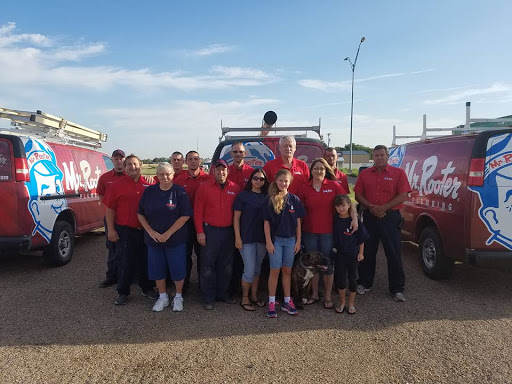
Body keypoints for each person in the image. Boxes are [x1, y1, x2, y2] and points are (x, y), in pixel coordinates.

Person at [354, 145, 411, 302]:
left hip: (390, 217)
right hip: (370, 216)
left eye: (382, 155)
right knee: (368, 251)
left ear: (387, 156)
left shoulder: (398, 173)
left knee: (393, 252)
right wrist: (372, 208)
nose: (379, 158)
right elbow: (358, 194)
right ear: (373, 157)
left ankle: (397, 289)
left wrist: (383, 208)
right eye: (376, 155)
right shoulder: (365, 174)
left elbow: (403, 195)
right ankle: (364, 283)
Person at [298, 158, 357, 309]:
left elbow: (349, 203)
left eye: (322, 168)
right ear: (311, 170)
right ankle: (315, 294)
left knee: (328, 265)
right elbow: (298, 210)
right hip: (309, 232)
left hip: (328, 233)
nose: (319, 171)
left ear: (326, 170)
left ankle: (328, 297)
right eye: (316, 168)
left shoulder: (333, 186)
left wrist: (355, 219)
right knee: (313, 265)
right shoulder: (305, 187)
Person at [137, 162, 192, 312]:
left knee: (178, 269)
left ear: (173, 175)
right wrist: (151, 232)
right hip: (154, 240)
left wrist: (168, 233)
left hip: (175, 239)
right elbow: (140, 214)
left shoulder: (180, 192)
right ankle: (163, 297)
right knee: (157, 269)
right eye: (161, 174)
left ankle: (178, 297)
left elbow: (185, 215)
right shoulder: (149, 192)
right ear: (157, 176)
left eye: (168, 173)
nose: (165, 177)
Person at [105, 155, 158, 305]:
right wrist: (111, 230)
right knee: (125, 261)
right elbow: (110, 209)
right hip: (125, 230)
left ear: (140, 165)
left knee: (145, 261)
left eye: (135, 164)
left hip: (146, 230)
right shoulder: (116, 185)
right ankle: (123, 291)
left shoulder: (150, 184)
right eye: (129, 164)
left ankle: (147, 287)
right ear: (125, 166)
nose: (132, 167)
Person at [194, 159, 240, 310]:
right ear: (213, 171)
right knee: (207, 265)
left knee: (226, 265)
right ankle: (208, 297)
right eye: (218, 169)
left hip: (228, 231)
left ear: (228, 171)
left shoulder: (235, 188)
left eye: (224, 170)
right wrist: (200, 232)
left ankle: (223, 294)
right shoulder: (204, 187)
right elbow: (198, 211)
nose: (221, 172)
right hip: (210, 231)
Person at [264, 169, 305, 318]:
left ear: (290, 182)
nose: (283, 183)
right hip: (276, 241)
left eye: (286, 181)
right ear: (276, 181)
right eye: (280, 180)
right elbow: (266, 223)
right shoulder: (270, 199)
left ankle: (287, 301)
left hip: (291, 241)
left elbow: (298, 224)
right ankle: (272, 301)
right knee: (275, 271)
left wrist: (298, 241)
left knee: (287, 271)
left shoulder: (295, 200)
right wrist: (268, 241)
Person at [233, 168, 269, 311]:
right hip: (246, 239)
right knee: (249, 269)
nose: (258, 181)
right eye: (255, 178)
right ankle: (245, 298)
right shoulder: (243, 196)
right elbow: (236, 218)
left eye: (261, 179)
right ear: (251, 179)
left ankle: (254, 296)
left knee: (257, 270)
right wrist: (237, 237)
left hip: (261, 239)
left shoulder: (267, 196)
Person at [174, 151, 211, 288]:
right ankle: (184, 285)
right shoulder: (179, 181)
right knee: (185, 255)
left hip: (203, 223)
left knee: (203, 256)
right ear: (186, 162)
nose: (193, 161)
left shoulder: (207, 179)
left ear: (200, 161)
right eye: (190, 159)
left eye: (196, 159)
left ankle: (203, 286)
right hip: (185, 223)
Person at [331, 194, 369, 314]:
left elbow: (361, 238)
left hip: (352, 253)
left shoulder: (354, 221)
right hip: (340, 254)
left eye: (343, 205)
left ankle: (351, 303)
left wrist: (361, 253)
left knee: (352, 278)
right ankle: (342, 302)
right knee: (341, 279)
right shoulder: (335, 219)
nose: (341, 208)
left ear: (349, 205)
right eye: (338, 206)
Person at [97, 149, 126, 288]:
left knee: (130, 248)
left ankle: (130, 276)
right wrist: (110, 208)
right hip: (111, 218)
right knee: (112, 247)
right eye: (116, 159)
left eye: (121, 158)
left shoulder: (132, 176)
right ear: (112, 160)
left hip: (128, 218)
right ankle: (112, 276)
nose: (119, 161)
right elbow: (101, 195)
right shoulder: (105, 178)